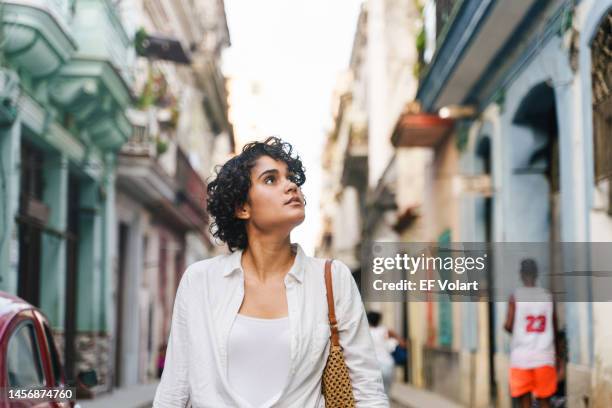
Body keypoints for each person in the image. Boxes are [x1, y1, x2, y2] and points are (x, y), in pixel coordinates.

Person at [153, 137, 388, 407]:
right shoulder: (200, 281)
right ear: (243, 208)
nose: (291, 186)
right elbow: (174, 389)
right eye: (270, 179)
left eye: (291, 178)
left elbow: (368, 390)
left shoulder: (332, 278)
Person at [504, 258, 558, 408]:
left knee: (525, 401)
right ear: (536, 274)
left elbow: (508, 325)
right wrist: (558, 358)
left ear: (521, 274)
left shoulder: (515, 297)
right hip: (545, 356)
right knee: (544, 400)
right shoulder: (548, 297)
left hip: (521, 358)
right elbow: (554, 327)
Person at [366, 311, 407, 395]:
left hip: (373, 366)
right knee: (386, 392)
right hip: (388, 365)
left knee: (375, 394)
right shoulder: (385, 330)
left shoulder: (365, 332)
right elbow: (402, 343)